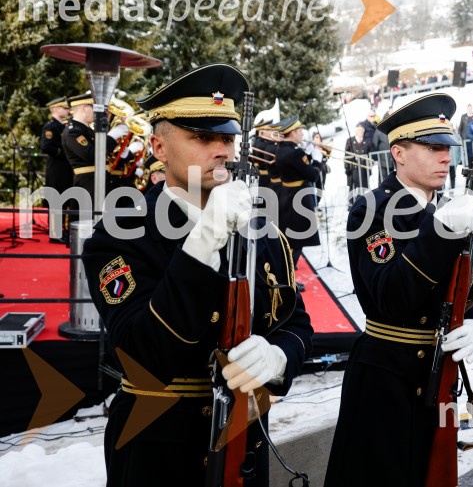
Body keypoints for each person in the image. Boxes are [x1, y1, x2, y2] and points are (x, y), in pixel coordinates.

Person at [81, 63, 313, 486]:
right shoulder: (121, 232)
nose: (222, 150)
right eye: (203, 138)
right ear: (159, 147)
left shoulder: (263, 231)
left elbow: (295, 323)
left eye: (228, 138)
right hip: (159, 450)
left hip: (244, 444)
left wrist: (277, 357)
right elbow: (142, 353)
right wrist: (204, 239)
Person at [325, 93, 473, 487]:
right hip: (386, 381)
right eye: (433, 148)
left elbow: (466, 290)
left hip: (438, 374)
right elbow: (391, 297)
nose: (446, 157)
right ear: (398, 153)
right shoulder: (371, 209)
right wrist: (441, 231)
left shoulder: (445, 207)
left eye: (447, 148)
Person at [61, 92, 137, 202]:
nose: (96, 112)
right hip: (88, 185)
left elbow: (105, 155)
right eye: (94, 107)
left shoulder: (87, 130)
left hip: (100, 183)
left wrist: (122, 152)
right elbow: (92, 155)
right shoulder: (73, 132)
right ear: (84, 108)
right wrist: (112, 136)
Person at [276, 117, 322, 276]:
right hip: (297, 199)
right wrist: (317, 161)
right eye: (300, 131)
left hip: (287, 195)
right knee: (297, 240)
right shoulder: (295, 153)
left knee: (291, 238)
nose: (302, 134)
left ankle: (288, 273)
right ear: (293, 133)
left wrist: (307, 155)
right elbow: (312, 175)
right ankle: (288, 276)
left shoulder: (282, 149)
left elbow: (296, 167)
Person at [40, 96, 74, 242]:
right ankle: (55, 233)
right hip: (56, 169)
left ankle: (63, 230)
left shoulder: (64, 126)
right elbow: (46, 146)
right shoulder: (51, 126)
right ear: (55, 109)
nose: (67, 111)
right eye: (64, 108)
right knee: (56, 200)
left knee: (65, 199)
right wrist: (64, 153)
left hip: (65, 169)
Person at [344, 123, 371, 205]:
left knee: (363, 187)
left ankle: (361, 203)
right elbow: (346, 155)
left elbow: (370, 153)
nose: (360, 132)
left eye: (361, 130)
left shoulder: (367, 141)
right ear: (355, 131)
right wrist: (347, 168)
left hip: (363, 168)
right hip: (353, 168)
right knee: (353, 187)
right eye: (358, 130)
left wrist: (370, 168)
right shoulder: (350, 141)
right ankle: (351, 203)